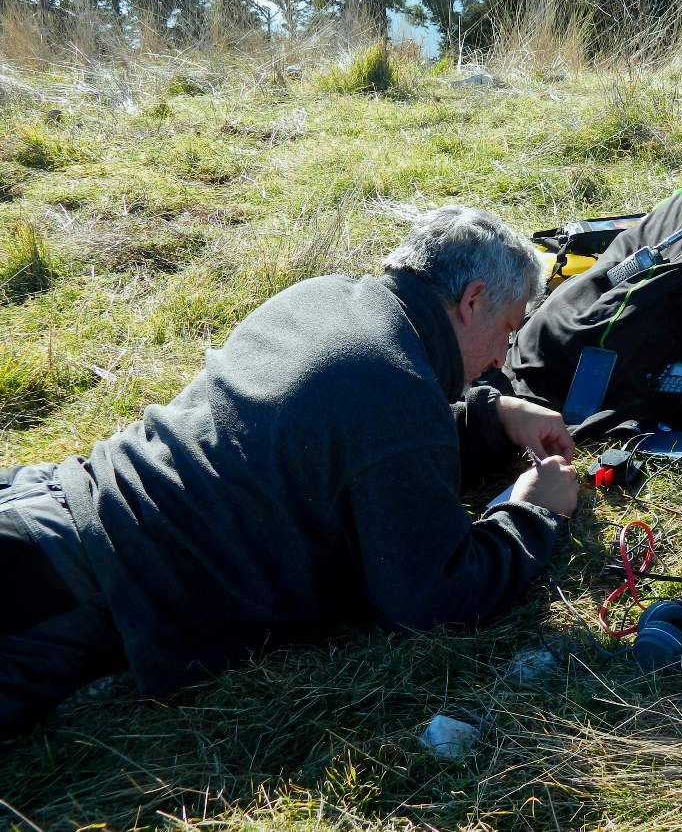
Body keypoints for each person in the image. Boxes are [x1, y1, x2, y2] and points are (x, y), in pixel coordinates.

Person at [0, 206, 579, 736]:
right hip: (73, 585)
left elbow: (347, 438)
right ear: (472, 299)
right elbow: (434, 599)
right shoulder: (395, 389)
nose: (505, 357)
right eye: (507, 330)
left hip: (52, 498)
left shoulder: (324, 298)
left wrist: (491, 416)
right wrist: (532, 512)